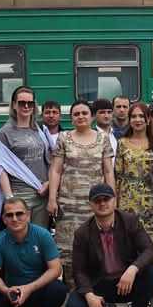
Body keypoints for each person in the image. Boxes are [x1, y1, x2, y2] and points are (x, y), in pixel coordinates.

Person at [66, 184, 153, 307]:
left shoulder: (130, 221)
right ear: (90, 205)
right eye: (97, 200)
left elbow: (150, 251)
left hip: (127, 282)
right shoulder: (82, 233)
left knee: (152, 272)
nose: (102, 203)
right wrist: (89, 295)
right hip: (101, 283)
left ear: (115, 201)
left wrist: (133, 269)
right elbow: (79, 270)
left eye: (106, 199)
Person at [48, 101, 115, 287]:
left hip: (96, 205)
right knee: (68, 248)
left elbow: (108, 171)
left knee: (96, 245)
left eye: (84, 113)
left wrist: (112, 199)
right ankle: (72, 288)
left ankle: (95, 288)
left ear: (91, 116)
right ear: (71, 118)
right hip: (68, 204)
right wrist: (52, 198)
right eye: (76, 114)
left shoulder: (103, 139)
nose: (81, 117)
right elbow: (56, 170)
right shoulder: (63, 138)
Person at [0, 86, 52, 228]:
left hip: (41, 193)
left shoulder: (40, 129)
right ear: (14, 105)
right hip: (19, 194)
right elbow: (2, 168)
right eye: (22, 103)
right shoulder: (5, 132)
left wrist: (48, 183)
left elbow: (51, 161)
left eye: (30, 103)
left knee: (39, 235)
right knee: (20, 235)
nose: (26, 106)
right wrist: (9, 198)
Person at [114, 101, 153, 256]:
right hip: (127, 199)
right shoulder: (122, 143)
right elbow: (118, 176)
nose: (138, 120)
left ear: (148, 119)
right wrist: (115, 202)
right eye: (134, 116)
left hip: (151, 200)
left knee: (150, 242)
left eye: (141, 116)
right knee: (129, 239)